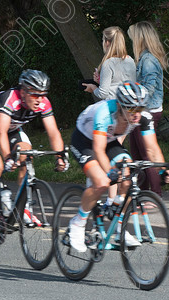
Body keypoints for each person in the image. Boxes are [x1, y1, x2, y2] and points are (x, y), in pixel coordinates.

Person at [67, 82, 165, 252]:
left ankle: (119, 226)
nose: (136, 114)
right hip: (85, 141)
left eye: (140, 108)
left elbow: (151, 148)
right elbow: (98, 149)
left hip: (110, 141)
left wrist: (163, 170)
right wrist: (110, 172)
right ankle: (77, 223)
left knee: (128, 176)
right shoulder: (104, 112)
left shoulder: (143, 116)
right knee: (102, 182)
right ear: (120, 106)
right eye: (131, 109)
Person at [0, 70, 67, 240]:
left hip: (12, 129)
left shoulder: (43, 103)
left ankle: (24, 207)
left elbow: (53, 132)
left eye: (43, 95)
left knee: (26, 154)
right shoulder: (10, 99)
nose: (40, 99)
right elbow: (1, 132)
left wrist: (59, 156)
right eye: (35, 95)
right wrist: (8, 157)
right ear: (23, 92)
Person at [127, 21, 168, 192]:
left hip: (146, 111)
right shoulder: (145, 58)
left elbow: (149, 88)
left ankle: (155, 194)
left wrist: (133, 97)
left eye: (133, 38)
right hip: (141, 110)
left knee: (146, 155)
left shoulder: (149, 60)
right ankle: (142, 193)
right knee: (137, 155)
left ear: (140, 39)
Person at [83, 26, 136, 100]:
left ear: (107, 42)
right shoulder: (130, 60)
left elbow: (103, 94)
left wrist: (93, 87)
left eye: (103, 40)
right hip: (130, 105)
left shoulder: (108, 63)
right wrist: (101, 82)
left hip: (114, 106)